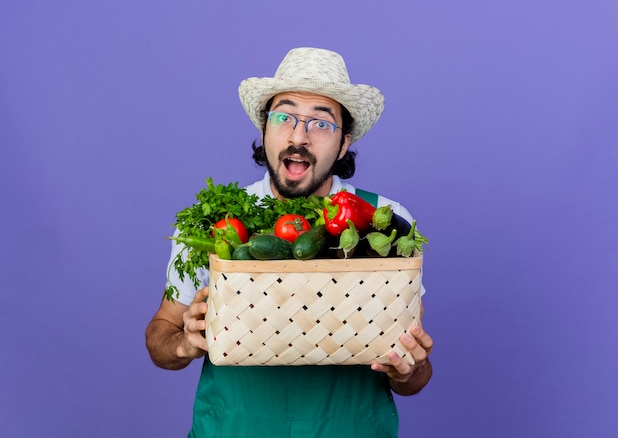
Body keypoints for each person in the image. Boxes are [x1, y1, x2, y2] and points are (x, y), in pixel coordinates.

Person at [145, 47, 433, 438]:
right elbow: (160, 334)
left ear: (344, 143)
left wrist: (410, 369)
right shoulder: (215, 222)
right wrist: (183, 343)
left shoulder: (387, 222)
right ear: (265, 129)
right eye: (284, 117)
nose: (298, 136)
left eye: (321, 123)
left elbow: (413, 376)